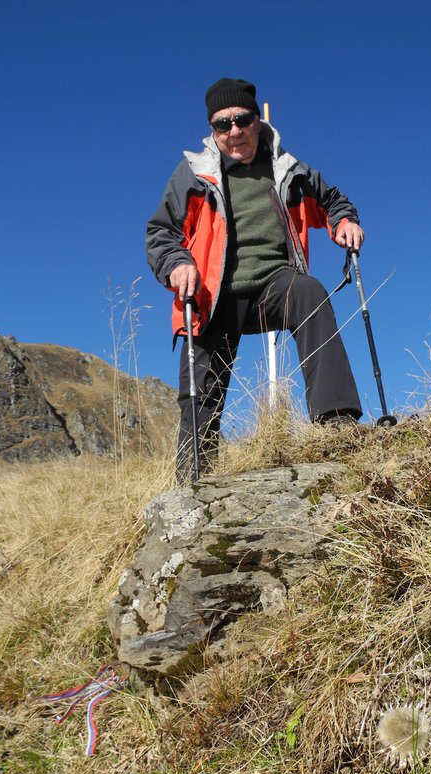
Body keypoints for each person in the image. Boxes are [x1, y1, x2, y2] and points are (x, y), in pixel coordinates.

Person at [146, 77, 364, 483]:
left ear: (256, 120)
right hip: (213, 296)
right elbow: (161, 233)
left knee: (310, 291)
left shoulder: (287, 169)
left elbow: (331, 200)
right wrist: (177, 263)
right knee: (199, 384)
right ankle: (194, 477)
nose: (233, 132)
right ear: (212, 130)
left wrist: (343, 221)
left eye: (241, 120)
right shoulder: (194, 174)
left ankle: (337, 426)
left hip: (274, 286)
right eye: (221, 125)